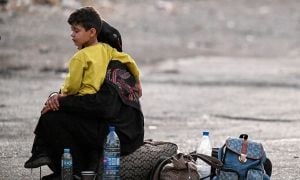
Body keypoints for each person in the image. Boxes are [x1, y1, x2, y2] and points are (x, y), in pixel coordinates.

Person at [24, 7, 144, 179]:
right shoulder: (111, 59)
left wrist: (61, 101)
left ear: (94, 35)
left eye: (77, 31)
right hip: (111, 125)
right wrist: (55, 97)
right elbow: (79, 93)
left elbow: (102, 106)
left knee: (53, 118)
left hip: (121, 135)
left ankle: (76, 171)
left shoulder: (114, 66)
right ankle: (73, 168)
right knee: (59, 112)